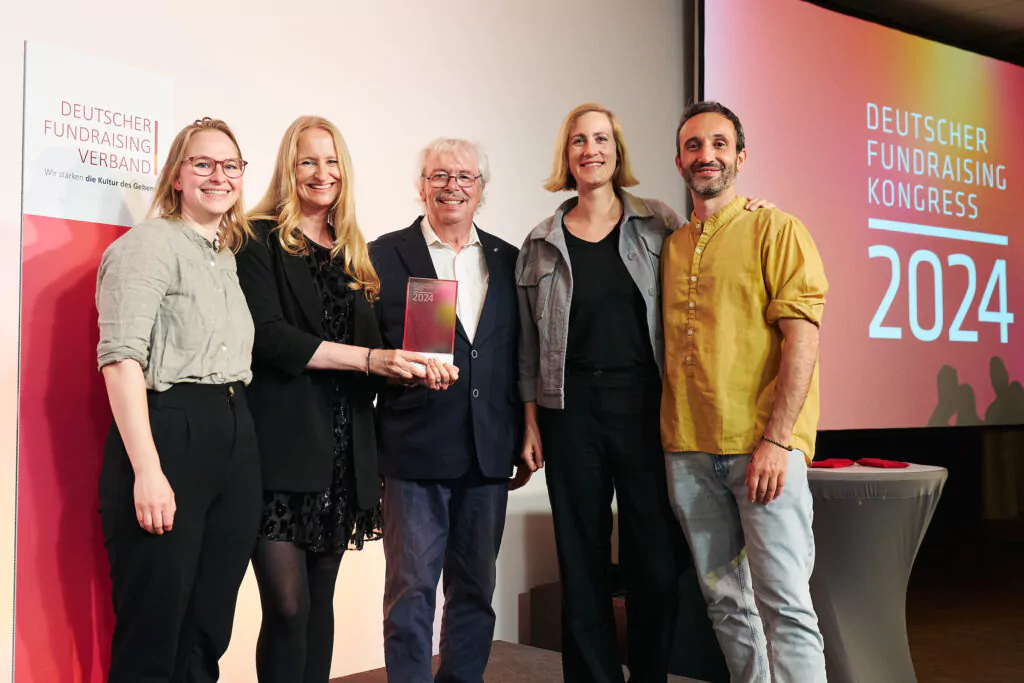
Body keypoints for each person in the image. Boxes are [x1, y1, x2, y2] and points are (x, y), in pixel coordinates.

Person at [236, 116, 451, 682]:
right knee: (287, 606)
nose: (321, 173)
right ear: (289, 168)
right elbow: (270, 339)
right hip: (281, 452)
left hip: (343, 457)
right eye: (308, 160)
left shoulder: (355, 253)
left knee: (319, 603)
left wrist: (412, 368)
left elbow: (374, 358)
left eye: (331, 162)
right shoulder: (257, 239)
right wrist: (371, 359)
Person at [661, 100, 828, 683]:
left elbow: (802, 342)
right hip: (687, 449)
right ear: (679, 161)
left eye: (719, 144)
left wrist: (778, 441)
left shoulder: (776, 228)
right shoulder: (672, 245)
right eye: (693, 146)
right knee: (726, 604)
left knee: (786, 605)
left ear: (740, 157)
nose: (706, 155)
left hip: (762, 449)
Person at [96, 117, 261, 682]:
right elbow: (121, 360)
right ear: (176, 176)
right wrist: (148, 471)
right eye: (203, 164)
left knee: (207, 626)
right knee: (155, 625)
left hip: (234, 431)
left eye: (231, 165)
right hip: (171, 432)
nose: (219, 176)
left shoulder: (226, 255)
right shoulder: (147, 246)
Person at [369, 138, 526, 683]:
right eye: (439, 175)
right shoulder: (383, 256)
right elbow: (366, 352)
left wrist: (528, 429)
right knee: (410, 593)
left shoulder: (509, 260)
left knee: (476, 590)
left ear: (481, 189)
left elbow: (519, 355)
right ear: (421, 186)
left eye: (464, 176)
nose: (452, 186)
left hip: (488, 451)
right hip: (413, 451)